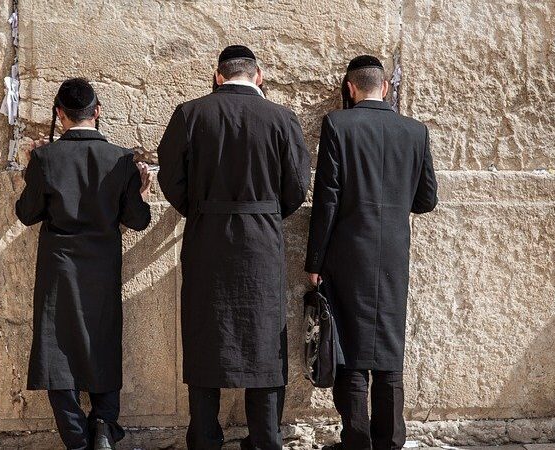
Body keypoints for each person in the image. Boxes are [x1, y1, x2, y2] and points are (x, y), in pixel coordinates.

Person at [157, 45, 311, 450]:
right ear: (258, 75)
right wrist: (264, 213)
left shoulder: (190, 114)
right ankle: (265, 438)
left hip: (207, 236)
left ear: (218, 75)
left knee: (207, 332)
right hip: (261, 240)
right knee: (264, 338)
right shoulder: (282, 118)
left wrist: (202, 209)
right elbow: (296, 187)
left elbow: (170, 177)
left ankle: (205, 437)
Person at [305, 55, 438, 450]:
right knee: (389, 349)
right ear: (386, 87)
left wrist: (313, 263)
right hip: (394, 255)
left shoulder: (338, 125)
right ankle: (391, 441)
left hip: (347, 254)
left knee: (349, 347)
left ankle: (356, 441)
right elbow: (427, 199)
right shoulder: (415, 131)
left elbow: (326, 200)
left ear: (349, 88)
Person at [15, 78, 152, 450]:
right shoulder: (121, 160)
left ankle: (76, 439)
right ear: (98, 112)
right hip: (103, 267)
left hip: (59, 268)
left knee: (55, 347)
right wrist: (139, 193)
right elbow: (137, 220)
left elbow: (27, 215)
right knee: (102, 340)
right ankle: (105, 426)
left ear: (60, 114)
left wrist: (31, 171)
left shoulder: (45, 159)